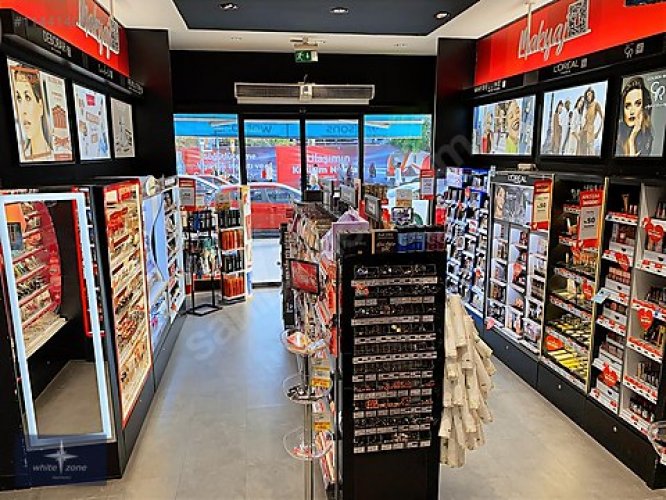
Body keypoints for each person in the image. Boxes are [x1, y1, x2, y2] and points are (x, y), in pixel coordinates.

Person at [11, 67, 53, 161]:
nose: (23, 110)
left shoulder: (56, 156)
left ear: (40, 105)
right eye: (19, 98)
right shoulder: (21, 157)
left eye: (28, 98)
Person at [616, 76, 654, 157]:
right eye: (628, 105)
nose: (632, 112)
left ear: (644, 107)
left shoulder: (647, 138)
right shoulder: (616, 135)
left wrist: (632, 139)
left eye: (638, 104)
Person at [582, 87, 605, 156]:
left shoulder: (596, 104)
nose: (588, 97)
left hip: (591, 130)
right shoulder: (587, 106)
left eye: (589, 95)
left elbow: (602, 117)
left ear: (592, 95)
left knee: (591, 149)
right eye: (587, 95)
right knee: (584, 150)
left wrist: (598, 132)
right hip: (585, 130)